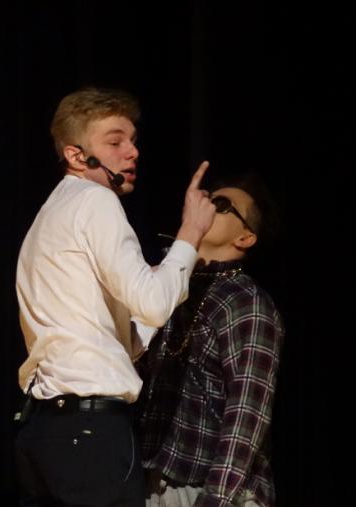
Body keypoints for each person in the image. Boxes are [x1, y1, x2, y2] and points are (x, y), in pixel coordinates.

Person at [14, 85, 217, 506]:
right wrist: (190, 233)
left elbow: (120, 344)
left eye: (133, 140)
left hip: (46, 431)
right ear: (76, 155)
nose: (132, 152)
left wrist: (163, 279)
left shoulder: (52, 213)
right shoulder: (95, 201)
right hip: (90, 433)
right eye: (114, 142)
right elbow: (153, 303)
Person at [135, 174, 285, 507]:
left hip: (220, 490)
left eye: (222, 204)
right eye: (207, 198)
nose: (207, 205)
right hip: (159, 481)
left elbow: (248, 413)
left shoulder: (244, 301)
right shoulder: (171, 287)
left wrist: (216, 499)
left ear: (245, 237)